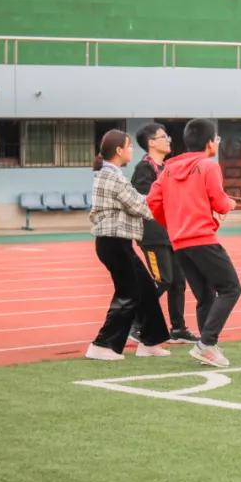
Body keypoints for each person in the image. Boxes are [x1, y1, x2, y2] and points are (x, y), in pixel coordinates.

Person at [147, 118, 240, 369]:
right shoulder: (208, 166)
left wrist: (174, 224)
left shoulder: (167, 169)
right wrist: (227, 204)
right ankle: (206, 343)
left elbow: (153, 202)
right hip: (202, 238)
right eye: (217, 139)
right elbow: (220, 203)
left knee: (205, 295)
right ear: (210, 143)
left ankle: (207, 345)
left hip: (179, 242)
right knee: (231, 288)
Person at [86, 129, 172, 361]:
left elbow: (137, 200)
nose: (132, 150)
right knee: (129, 292)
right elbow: (138, 205)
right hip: (113, 243)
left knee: (145, 289)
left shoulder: (113, 173)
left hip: (118, 242)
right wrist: (164, 198)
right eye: (129, 146)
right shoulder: (111, 175)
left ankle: (151, 341)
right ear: (118, 150)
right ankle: (103, 345)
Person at [130, 123, 198, 343]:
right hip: (153, 235)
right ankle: (135, 323)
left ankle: (178, 328)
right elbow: (146, 200)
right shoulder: (144, 168)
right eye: (163, 136)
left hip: (173, 233)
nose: (168, 139)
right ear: (151, 143)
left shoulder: (168, 167)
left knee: (179, 281)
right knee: (163, 280)